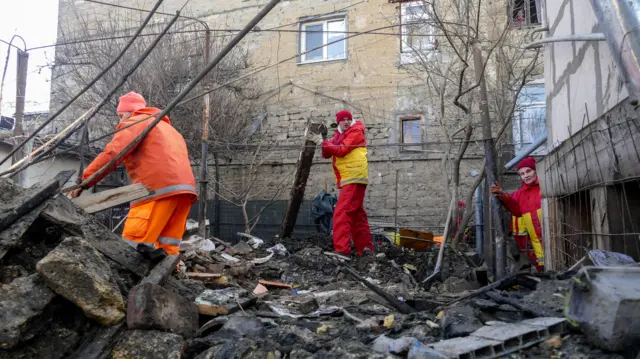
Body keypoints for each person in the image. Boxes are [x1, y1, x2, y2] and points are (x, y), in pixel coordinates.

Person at [71, 92, 197, 258]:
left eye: (120, 116)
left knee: (132, 247)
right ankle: (171, 280)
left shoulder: (137, 122)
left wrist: (85, 181)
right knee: (168, 247)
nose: (119, 121)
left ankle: (126, 282)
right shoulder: (170, 130)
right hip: (185, 192)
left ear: (127, 112)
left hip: (157, 191)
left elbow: (112, 154)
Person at [308, 110, 374, 261]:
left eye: (348, 119)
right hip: (353, 177)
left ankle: (342, 250)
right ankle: (365, 251)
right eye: (343, 120)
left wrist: (321, 142)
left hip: (353, 176)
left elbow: (342, 150)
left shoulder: (356, 131)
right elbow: (327, 154)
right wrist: (324, 139)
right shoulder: (339, 134)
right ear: (338, 122)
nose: (346, 122)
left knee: (341, 212)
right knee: (357, 216)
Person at [490, 157, 544, 271]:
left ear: (536, 170)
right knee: (542, 266)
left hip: (552, 237)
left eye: (529, 171)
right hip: (536, 242)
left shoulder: (545, 187)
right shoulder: (519, 194)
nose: (526, 176)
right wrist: (502, 196)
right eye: (522, 174)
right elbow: (517, 211)